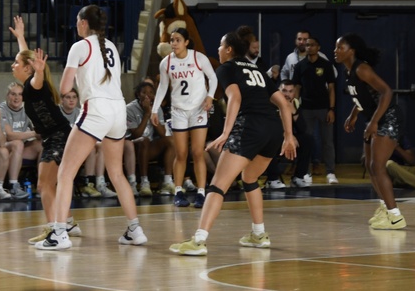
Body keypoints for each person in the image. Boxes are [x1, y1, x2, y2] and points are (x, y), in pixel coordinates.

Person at [169, 29, 297, 255]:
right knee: (250, 178)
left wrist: (225, 133)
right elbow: (284, 104)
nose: (217, 49)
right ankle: (259, 234)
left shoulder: (226, 68)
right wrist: (288, 136)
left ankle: (198, 241)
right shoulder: (257, 68)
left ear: (229, 49)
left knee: (217, 185)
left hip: (250, 126)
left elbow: (235, 98)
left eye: (220, 45)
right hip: (272, 129)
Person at [36, 5, 147, 250]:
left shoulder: (80, 46)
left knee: (65, 172)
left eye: (77, 20)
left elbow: (65, 89)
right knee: (116, 174)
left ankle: (59, 234)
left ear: (84, 23)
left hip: (96, 108)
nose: (76, 25)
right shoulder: (112, 49)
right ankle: (135, 229)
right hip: (118, 109)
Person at [7, 17, 84, 244]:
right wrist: (21, 37)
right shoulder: (30, 81)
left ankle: (54, 230)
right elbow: (26, 59)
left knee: (44, 185)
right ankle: (68, 223)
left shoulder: (33, 84)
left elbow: (36, 76)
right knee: (52, 183)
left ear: (28, 69)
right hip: (56, 136)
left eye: (16, 63)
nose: (13, 65)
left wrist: (39, 71)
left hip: (59, 137)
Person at [338, 31, 406, 229]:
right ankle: (386, 208)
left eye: (340, 47)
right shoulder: (348, 71)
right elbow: (363, 98)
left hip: (388, 117)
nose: (336, 51)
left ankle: (396, 216)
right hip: (374, 118)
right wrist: (354, 115)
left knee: (378, 166)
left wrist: (374, 121)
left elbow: (386, 91)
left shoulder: (362, 69)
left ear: (352, 51)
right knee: (369, 165)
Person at [152, 27, 217, 208]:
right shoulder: (166, 62)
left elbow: (213, 78)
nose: (174, 43)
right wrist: (154, 110)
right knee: (181, 153)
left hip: (198, 110)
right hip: (179, 111)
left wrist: (210, 96)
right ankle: (178, 191)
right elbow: (163, 87)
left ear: (186, 42)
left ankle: (201, 193)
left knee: (198, 152)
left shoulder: (198, 58)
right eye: (172, 40)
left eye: (178, 40)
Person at [294, 36, 339, 184]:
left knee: (328, 141)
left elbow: (332, 88)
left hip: (324, 108)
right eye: (307, 45)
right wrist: (295, 107)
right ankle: (305, 173)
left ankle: (331, 172)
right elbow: (297, 88)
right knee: (306, 141)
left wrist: (331, 109)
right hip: (306, 108)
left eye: (312, 45)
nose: (309, 48)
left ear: (318, 47)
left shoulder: (326, 65)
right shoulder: (300, 66)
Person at [126, 79, 176, 198]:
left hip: (150, 146)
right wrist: (147, 114)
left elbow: (163, 134)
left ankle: (167, 181)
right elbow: (136, 135)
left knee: (171, 140)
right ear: (138, 94)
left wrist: (153, 113)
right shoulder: (129, 109)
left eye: (151, 93)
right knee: (144, 140)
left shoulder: (157, 108)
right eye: (144, 92)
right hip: (133, 147)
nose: (148, 95)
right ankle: (144, 182)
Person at [264, 79, 314, 189]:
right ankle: (272, 179)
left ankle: (298, 177)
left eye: (290, 91)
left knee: (307, 139)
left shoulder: (295, 102)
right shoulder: (271, 103)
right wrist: (288, 136)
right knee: (271, 140)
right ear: (278, 91)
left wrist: (293, 110)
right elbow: (271, 128)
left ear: (294, 93)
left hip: (287, 139)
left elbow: (302, 129)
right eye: (284, 91)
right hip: (272, 138)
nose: (287, 94)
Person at [0, 76, 42, 200]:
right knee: (17, 143)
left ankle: (42, 185)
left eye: (19, 94)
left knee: (42, 145)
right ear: (7, 96)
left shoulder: (28, 108)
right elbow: (9, 135)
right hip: (2, 148)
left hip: (20, 149)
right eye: (13, 94)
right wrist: (34, 133)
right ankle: (13, 185)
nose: (16, 98)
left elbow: (38, 130)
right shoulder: (1, 109)